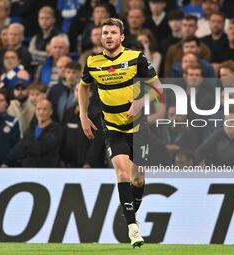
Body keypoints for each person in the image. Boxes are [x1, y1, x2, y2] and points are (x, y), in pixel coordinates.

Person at [78, 17, 161, 248]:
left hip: (139, 127)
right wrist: (83, 116)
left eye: (113, 33)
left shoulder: (135, 58)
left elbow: (158, 88)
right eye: (105, 33)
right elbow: (83, 87)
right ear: (101, 37)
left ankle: (130, 213)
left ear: (121, 37)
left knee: (138, 178)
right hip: (112, 127)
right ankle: (133, 228)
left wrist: (142, 102)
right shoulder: (92, 62)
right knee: (122, 174)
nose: (109, 36)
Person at [15, 99, 62, 167]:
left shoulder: (56, 128)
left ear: (51, 112)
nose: (41, 112)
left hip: (48, 170)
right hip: (28, 170)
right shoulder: (31, 128)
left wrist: (27, 145)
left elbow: (40, 148)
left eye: (44, 109)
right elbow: (18, 150)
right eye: (38, 109)